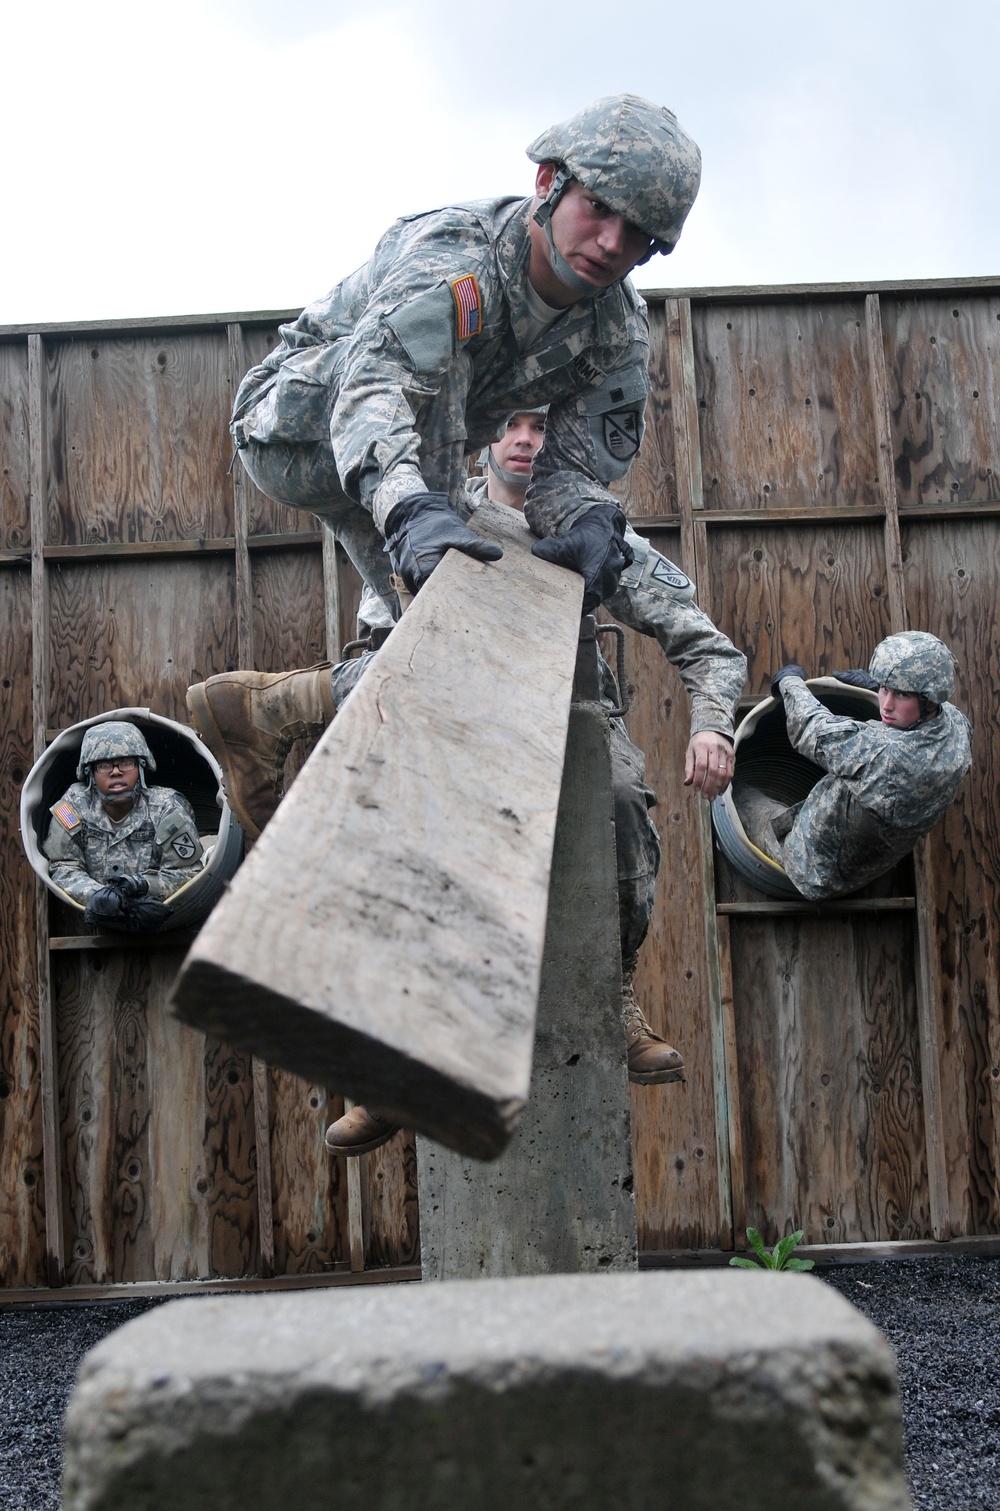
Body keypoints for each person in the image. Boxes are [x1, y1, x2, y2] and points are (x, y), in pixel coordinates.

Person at [186, 95, 746, 1152]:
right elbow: (375, 392)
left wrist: (582, 523)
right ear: (548, 185)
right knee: (432, 621)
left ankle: (272, 722)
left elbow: (587, 466)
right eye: (600, 214)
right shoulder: (453, 257)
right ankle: (376, 1040)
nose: (612, 245)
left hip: (438, 473)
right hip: (305, 424)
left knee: (448, 708)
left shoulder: (612, 326)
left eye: (641, 238)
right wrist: (413, 511)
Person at [738, 632, 972, 901]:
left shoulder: (887, 755)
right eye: (884, 688)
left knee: (738, 795)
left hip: (811, 865)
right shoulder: (957, 727)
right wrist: (883, 685)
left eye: (902, 694)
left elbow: (811, 729)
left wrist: (790, 682)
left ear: (929, 700)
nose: (886, 704)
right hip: (867, 862)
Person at [44, 721, 205, 931]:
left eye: (126, 762)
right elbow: (63, 867)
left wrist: (141, 885)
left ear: (141, 767)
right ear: (90, 773)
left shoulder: (166, 807)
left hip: (165, 924)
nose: (116, 772)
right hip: (95, 929)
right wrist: (99, 896)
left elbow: (188, 873)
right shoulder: (73, 806)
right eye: (104, 765)